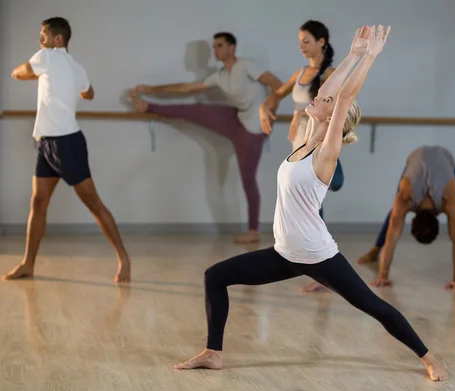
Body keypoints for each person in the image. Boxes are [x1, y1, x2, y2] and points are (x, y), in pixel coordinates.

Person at [172, 25, 447, 382]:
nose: (320, 97)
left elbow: (344, 98)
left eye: (327, 101)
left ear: (334, 118)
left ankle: (429, 358)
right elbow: (334, 92)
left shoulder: (325, 154)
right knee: (215, 277)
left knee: (375, 308)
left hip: (318, 256)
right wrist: (351, 52)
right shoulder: (303, 140)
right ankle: (213, 353)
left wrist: (370, 56)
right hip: (285, 253)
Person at [3, 17, 131, 283]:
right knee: (38, 202)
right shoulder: (76, 67)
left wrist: (26, 71)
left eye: (44, 35)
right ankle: (28, 264)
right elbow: (89, 93)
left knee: (93, 204)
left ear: (57, 39)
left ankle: (124, 259)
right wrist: (71, 88)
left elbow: (19, 73)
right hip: (47, 142)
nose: (40, 40)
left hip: (66, 144)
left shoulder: (47, 56)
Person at [130, 32, 283, 244]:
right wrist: (151, 90)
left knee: (248, 179)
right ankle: (149, 107)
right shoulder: (219, 75)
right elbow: (185, 88)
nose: (215, 50)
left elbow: (279, 85)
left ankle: (253, 230)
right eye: (214, 46)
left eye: (219, 45)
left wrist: (269, 112)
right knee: (197, 109)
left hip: (254, 128)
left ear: (231, 48)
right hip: (235, 119)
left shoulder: (247, 65)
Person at [360, 145, 455, 290]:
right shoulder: (407, 197)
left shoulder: (447, 198)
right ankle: (375, 250)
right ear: (412, 221)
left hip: (444, 159)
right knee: (395, 213)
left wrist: (383, 276)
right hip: (416, 158)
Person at [259, 20, 345, 223]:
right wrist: (264, 107)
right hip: (298, 141)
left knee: (325, 186)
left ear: (321, 42)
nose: (301, 46)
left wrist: (299, 114)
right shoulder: (300, 73)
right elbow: (277, 95)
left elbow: (329, 107)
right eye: (300, 41)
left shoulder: (330, 74)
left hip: (319, 140)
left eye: (306, 41)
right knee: (310, 197)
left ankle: (334, 166)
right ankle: (315, 245)